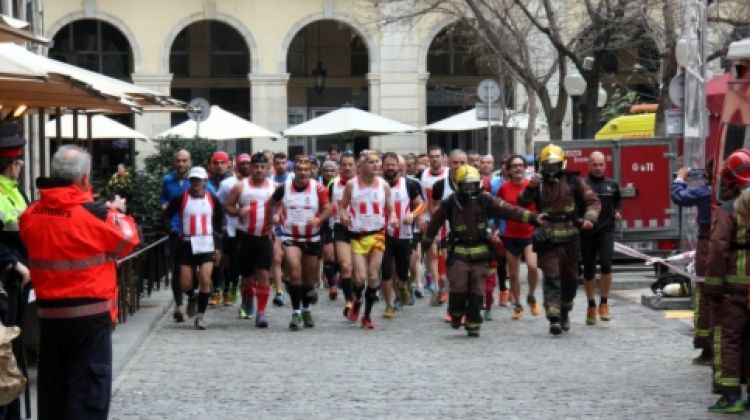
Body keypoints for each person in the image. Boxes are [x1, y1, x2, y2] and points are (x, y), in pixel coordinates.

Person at [20, 145, 140, 420]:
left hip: (49, 317)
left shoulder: (31, 214)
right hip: (91, 317)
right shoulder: (97, 215)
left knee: (54, 390)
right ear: (85, 177)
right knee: (87, 394)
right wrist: (118, 211)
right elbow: (129, 239)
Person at [421, 165, 542, 337]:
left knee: (478, 290)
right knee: (459, 287)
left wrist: (533, 217)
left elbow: (509, 210)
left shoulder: (486, 199)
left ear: (478, 184)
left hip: (481, 254)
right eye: (465, 185)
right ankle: (456, 314)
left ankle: (473, 323)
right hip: (458, 253)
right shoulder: (450, 202)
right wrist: (425, 245)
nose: (469, 189)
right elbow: (434, 224)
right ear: (458, 185)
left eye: (472, 185)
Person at [519, 144, 600, 335]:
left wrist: (589, 218)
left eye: (555, 164)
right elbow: (522, 201)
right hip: (547, 238)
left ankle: (564, 312)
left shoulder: (574, 182)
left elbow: (593, 201)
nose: (551, 169)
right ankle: (553, 318)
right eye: (547, 165)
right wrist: (530, 187)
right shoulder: (537, 184)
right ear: (541, 165)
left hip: (571, 238)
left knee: (570, 280)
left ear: (562, 164)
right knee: (552, 278)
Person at [704, 149, 750, 414]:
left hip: (732, 289)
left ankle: (730, 395)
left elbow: (718, 249)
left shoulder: (729, 210)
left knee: (727, 339)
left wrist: (712, 287)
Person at [267, 157, 332, 330]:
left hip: (312, 237)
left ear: (311, 171)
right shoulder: (284, 188)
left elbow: (328, 208)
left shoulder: (318, 189)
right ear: (293, 171)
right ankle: (296, 313)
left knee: (309, 279)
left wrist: (319, 219)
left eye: (306, 170)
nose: (303, 173)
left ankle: (306, 309)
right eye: (299, 169)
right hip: (290, 237)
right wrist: (272, 221)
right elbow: (270, 203)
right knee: (295, 274)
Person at [339, 151, 396, 329]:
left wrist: (393, 217)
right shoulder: (351, 185)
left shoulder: (384, 185)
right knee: (360, 278)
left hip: (377, 234)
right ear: (361, 165)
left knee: (372, 276)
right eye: (370, 162)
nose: (375, 165)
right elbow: (342, 207)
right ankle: (357, 300)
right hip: (358, 235)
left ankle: (367, 316)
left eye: (377, 162)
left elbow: (391, 209)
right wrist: (344, 215)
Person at [163, 167, 223, 330]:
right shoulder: (180, 198)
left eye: (198, 180)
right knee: (185, 284)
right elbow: (166, 216)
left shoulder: (213, 199)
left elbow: (219, 222)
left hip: (206, 243)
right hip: (187, 243)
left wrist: (218, 245)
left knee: (205, 279)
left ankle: (200, 316)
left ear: (205, 181)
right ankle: (191, 297)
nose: (195, 183)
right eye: (193, 180)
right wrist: (172, 231)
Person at [0, 125, 31, 420]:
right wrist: (12, 263)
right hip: (6, 281)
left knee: (14, 346)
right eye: (19, 162)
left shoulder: (16, 190)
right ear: (10, 164)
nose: (20, 167)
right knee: (5, 349)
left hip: (19, 281)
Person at [224, 153, 275, 327]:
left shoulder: (274, 187)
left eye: (263, 167)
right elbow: (227, 206)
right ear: (251, 168)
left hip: (264, 236)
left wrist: (277, 217)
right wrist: (238, 212)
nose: (259, 170)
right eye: (256, 167)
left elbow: (281, 207)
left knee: (263, 274)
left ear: (267, 169)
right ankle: (248, 297)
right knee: (247, 277)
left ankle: (261, 313)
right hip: (244, 236)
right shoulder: (240, 186)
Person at [671, 162, 714, 364]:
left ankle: (707, 348)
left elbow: (679, 196)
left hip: (708, 246)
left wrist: (680, 177)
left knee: (705, 296)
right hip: (730, 250)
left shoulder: (705, 193)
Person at [498, 154, 541, 320]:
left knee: (532, 266)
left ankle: (531, 295)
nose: (517, 168)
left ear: (525, 168)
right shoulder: (504, 188)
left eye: (520, 165)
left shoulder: (532, 186)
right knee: (514, 274)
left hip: (529, 233)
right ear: (508, 170)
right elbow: (498, 209)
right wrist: (496, 229)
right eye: (514, 166)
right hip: (510, 234)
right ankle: (518, 304)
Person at [581, 151, 621, 325]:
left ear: (605, 165)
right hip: (588, 232)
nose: (598, 168)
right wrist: (582, 221)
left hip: (606, 230)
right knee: (589, 269)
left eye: (601, 164)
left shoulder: (612, 184)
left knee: (606, 264)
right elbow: (576, 206)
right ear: (589, 165)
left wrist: (618, 211)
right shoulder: (583, 185)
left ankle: (604, 303)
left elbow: (618, 201)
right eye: (594, 164)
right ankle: (591, 305)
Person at [380, 152, 422, 318]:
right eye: (387, 165)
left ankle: (404, 286)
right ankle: (389, 304)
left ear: (399, 167)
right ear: (382, 167)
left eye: (393, 165)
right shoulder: (377, 185)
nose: (390, 168)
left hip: (404, 234)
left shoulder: (409, 185)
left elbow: (421, 206)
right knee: (387, 270)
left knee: (403, 272)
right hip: (383, 234)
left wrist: (413, 215)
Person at [160, 149, 193, 322]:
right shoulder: (167, 180)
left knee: (193, 269)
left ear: (190, 162)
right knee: (177, 268)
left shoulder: (196, 180)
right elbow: (163, 199)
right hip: (175, 231)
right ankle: (179, 304)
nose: (181, 164)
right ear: (174, 162)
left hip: (194, 231)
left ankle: (192, 297)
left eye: (184, 160)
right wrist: (164, 207)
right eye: (178, 160)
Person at [419, 146, 450, 305]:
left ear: (443, 158)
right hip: (431, 220)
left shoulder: (449, 174)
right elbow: (424, 200)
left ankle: (445, 286)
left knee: (445, 256)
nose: (435, 159)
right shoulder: (424, 175)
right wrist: (423, 217)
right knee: (431, 254)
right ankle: (437, 288)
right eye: (432, 156)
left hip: (447, 221)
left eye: (438, 156)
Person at [216, 154, 247, 307]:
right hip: (230, 227)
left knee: (238, 262)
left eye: (248, 163)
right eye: (243, 163)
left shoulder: (257, 184)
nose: (246, 166)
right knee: (227, 261)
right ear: (236, 166)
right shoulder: (227, 184)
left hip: (247, 229)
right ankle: (226, 289)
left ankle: (234, 288)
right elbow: (220, 203)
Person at [330, 152, 357, 317]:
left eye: (350, 164)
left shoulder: (362, 183)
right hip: (340, 228)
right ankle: (349, 301)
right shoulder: (333, 184)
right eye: (344, 165)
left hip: (360, 229)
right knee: (345, 266)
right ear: (339, 167)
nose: (347, 168)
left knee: (358, 271)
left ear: (356, 166)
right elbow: (326, 205)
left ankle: (357, 296)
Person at [207, 151, 231, 306]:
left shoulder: (233, 181)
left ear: (228, 164)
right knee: (216, 258)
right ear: (211, 165)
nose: (219, 166)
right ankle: (216, 289)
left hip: (231, 224)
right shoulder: (207, 182)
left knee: (229, 259)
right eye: (216, 163)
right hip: (213, 226)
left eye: (222, 162)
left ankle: (228, 289)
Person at [270, 152, 291, 306]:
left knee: (291, 260)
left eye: (283, 163)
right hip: (276, 224)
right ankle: (279, 291)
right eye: (277, 163)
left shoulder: (292, 180)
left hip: (291, 224)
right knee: (277, 258)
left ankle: (290, 280)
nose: (280, 166)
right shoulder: (269, 181)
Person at [319, 160, 339, 300]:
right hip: (324, 223)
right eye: (326, 170)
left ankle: (337, 278)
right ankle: (332, 284)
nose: (329, 173)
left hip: (340, 223)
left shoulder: (341, 185)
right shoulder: (317, 185)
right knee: (328, 254)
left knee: (340, 256)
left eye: (332, 170)